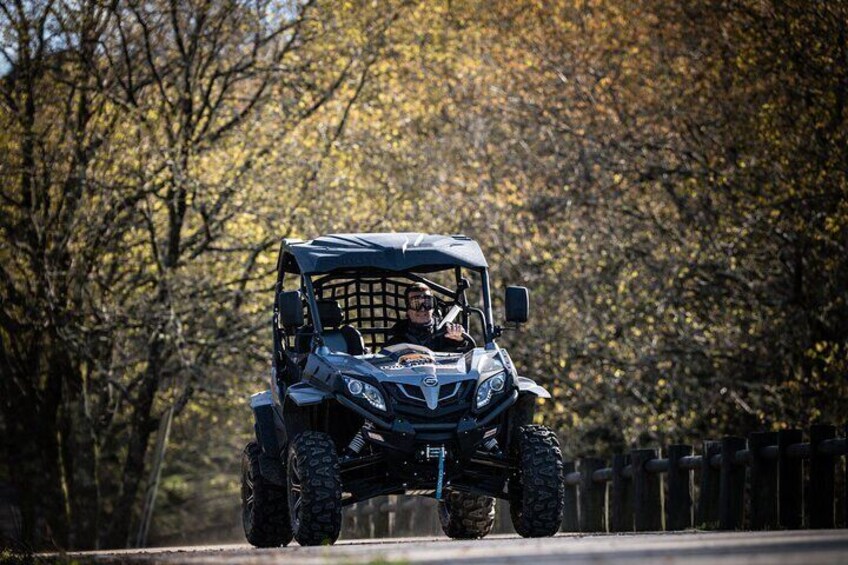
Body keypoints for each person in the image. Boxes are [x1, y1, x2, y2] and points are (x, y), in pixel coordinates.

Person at [385, 282, 466, 350]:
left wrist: (460, 339)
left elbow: (461, 351)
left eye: (427, 303)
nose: (422, 309)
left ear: (433, 307)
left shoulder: (446, 329)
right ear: (408, 309)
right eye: (416, 304)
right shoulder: (398, 332)